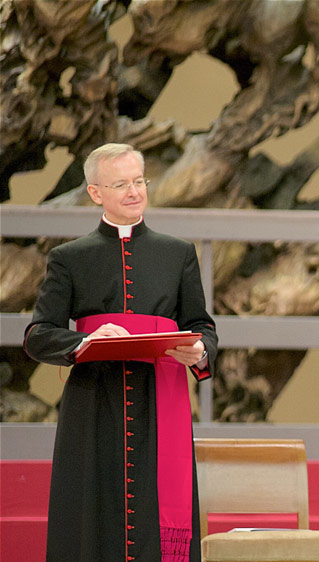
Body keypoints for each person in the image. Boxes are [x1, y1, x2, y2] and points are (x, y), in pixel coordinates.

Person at [23, 143, 218, 562]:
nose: (134, 192)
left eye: (138, 181)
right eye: (120, 184)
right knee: (93, 513)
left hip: (158, 400)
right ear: (96, 193)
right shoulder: (69, 258)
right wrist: (83, 342)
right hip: (95, 404)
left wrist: (199, 351)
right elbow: (39, 334)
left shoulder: (178, 253)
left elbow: (203, 327)